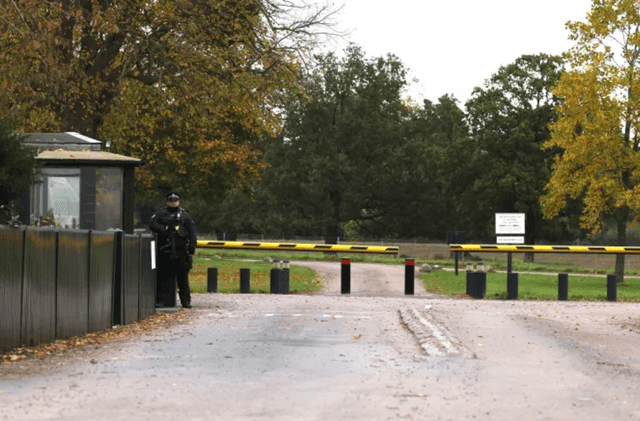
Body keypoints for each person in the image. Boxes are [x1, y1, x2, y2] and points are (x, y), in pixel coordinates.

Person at [149, 192, 197, 308]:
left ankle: (186, 301)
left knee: (183, 278)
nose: (173, 203)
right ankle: (162, 300)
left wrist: (192, 246)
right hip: (165, 249)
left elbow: (192, 231)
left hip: (181, 250)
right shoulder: (161, 214)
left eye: (175, 201)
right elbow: (152, 224)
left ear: (178, 201)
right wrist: (164, 229)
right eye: (171, 201)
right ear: (167, 201)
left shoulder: (184, 215)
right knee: (164, 277)